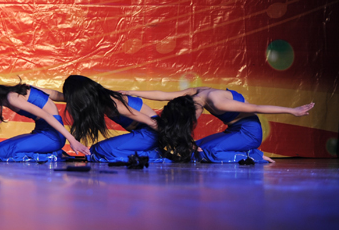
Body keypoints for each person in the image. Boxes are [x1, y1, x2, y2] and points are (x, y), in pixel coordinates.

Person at [123, 87, 315, 163]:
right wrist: (132, 92)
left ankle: (253, 155)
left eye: (192, 118)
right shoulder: (195, 94)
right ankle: (241, 150)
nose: (196, 120)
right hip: (234, 131)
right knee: (194, 150)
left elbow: (256, 107)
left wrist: (293, 111)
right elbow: (165, 95)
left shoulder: (217, 101)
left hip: (249, 133)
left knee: (208, 152)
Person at [63, 75, 161, 163]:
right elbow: (60, 97)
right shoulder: (99, 101)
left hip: (152, 131)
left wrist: (168, 136)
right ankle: (151, 152)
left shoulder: (113, 102)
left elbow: (151, 122)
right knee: (95, 151)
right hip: (144, 134)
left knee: (100, 150)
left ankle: (154, 155)